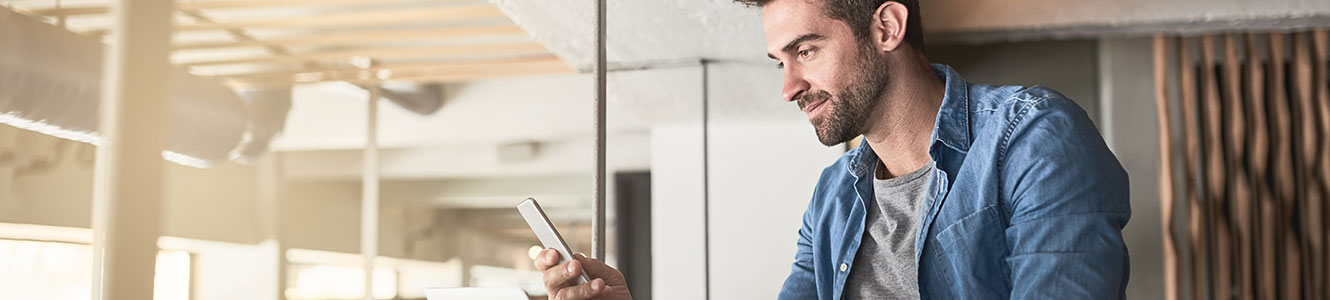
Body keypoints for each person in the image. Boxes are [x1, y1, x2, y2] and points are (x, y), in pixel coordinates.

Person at [534, 0, 1131, 298]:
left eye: (807, 51)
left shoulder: (1031, 136)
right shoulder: (833, 199)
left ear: (887, 27)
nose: (788, 86)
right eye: (781, 61)